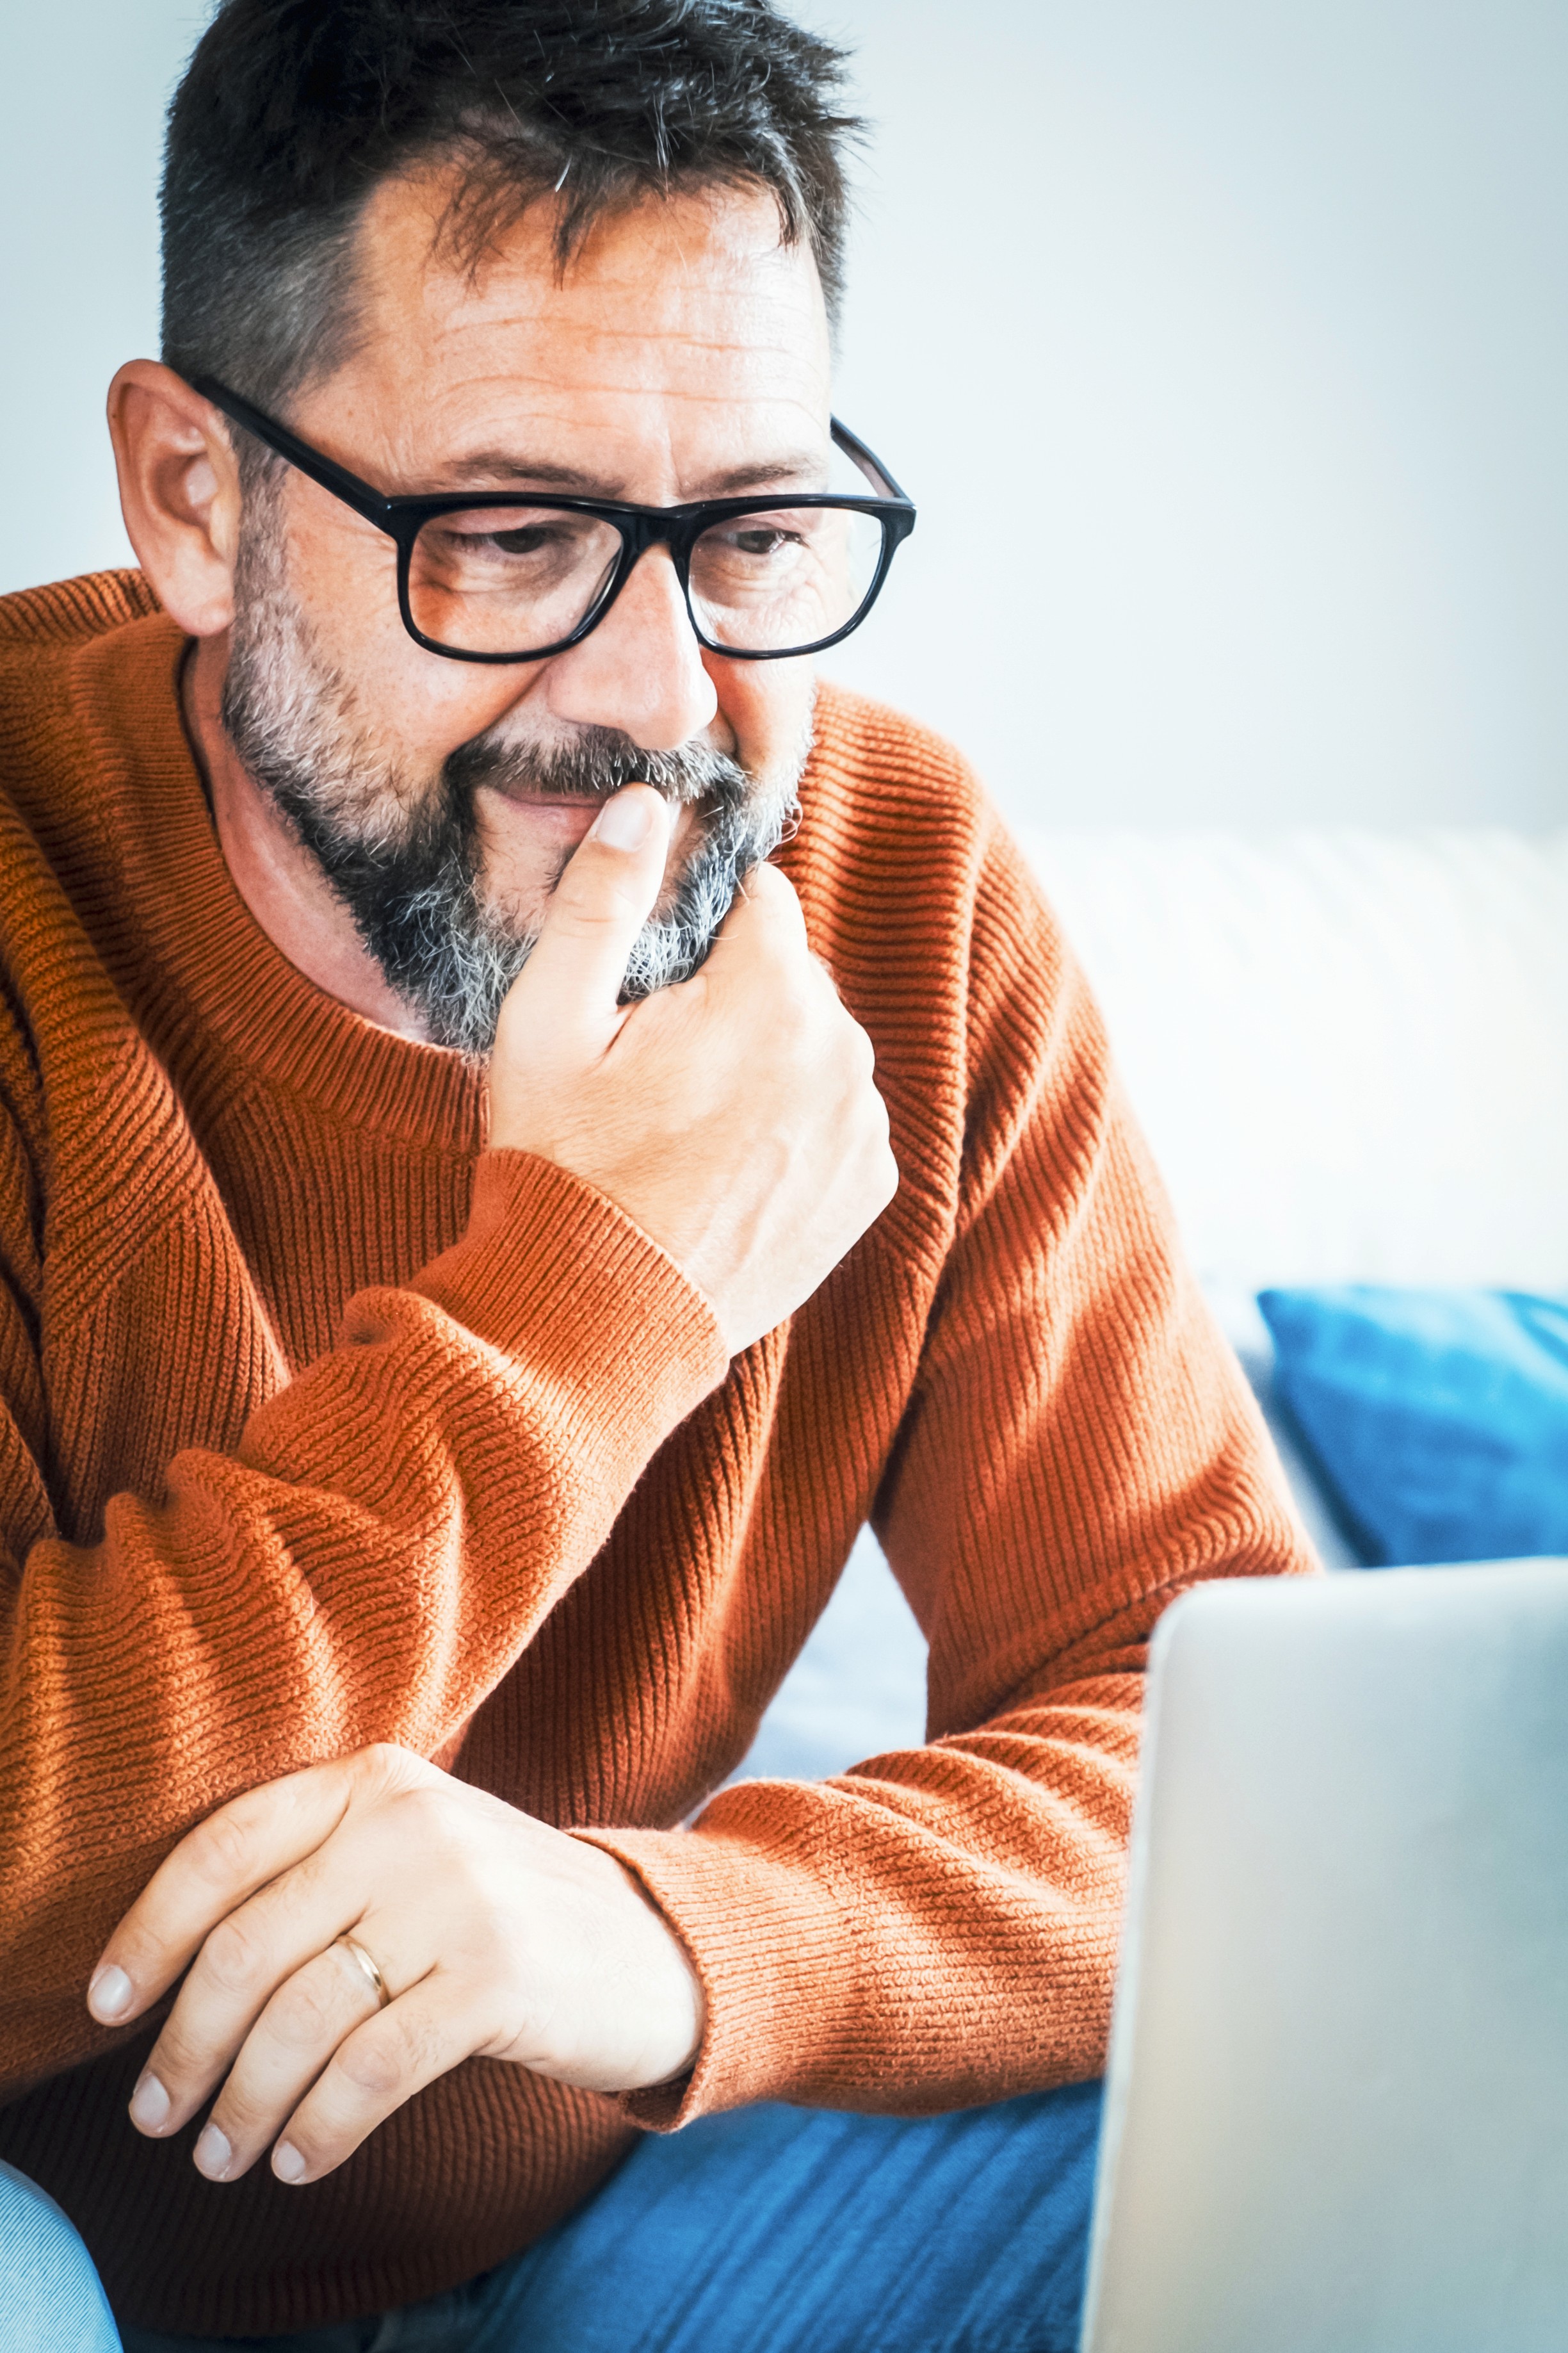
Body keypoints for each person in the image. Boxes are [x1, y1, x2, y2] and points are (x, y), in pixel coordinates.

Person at [0, 1, 1313, 2346]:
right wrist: (585, 1303)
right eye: (512, 537)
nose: (665, 699)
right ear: (194, 497)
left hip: (617, 2227)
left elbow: (1221, 1748)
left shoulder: (892, 884)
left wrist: (672, 1937)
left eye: (753, 534)